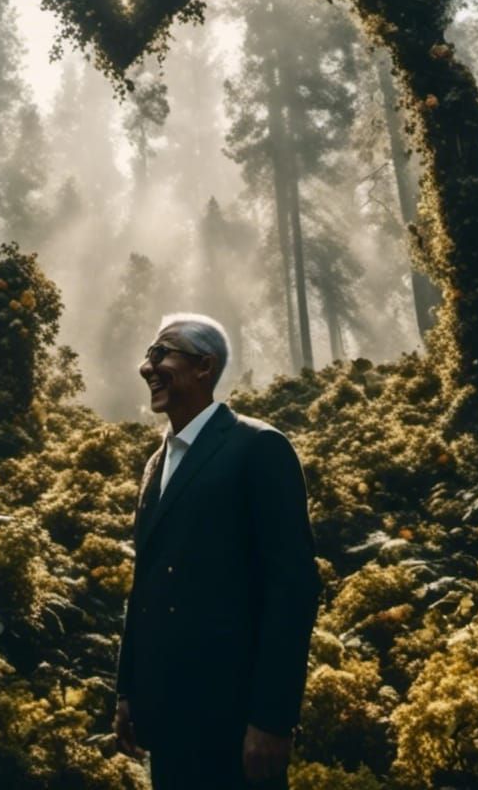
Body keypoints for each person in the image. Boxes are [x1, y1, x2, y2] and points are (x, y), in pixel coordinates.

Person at [112, 313, 321, 789]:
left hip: (235, 721)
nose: (147, 367)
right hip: (167, 717)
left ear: (204, 366)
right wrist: (128, 691)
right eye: (147, 355)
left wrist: (272, 719)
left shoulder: (259, 447)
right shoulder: (155, 464)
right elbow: (145, 585)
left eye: (161, 353)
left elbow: (293, 590)